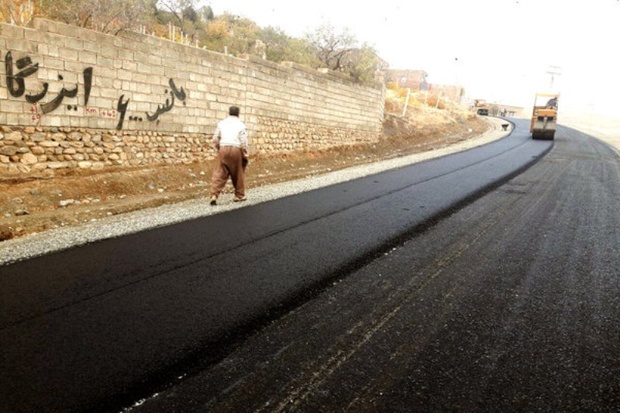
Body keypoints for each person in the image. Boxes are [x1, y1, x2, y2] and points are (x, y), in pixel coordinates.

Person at [210, 105, 249, 206]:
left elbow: (215, 139)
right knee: (237, 172)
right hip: (236, 149)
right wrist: (244, 151)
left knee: (219, 172)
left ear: (229, 113)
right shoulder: (241, 125)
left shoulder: (222, 123)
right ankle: (239, 195)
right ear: (238, 114)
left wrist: (219, 147)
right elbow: (243, 141)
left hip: (223, 147)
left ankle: (214, 195)